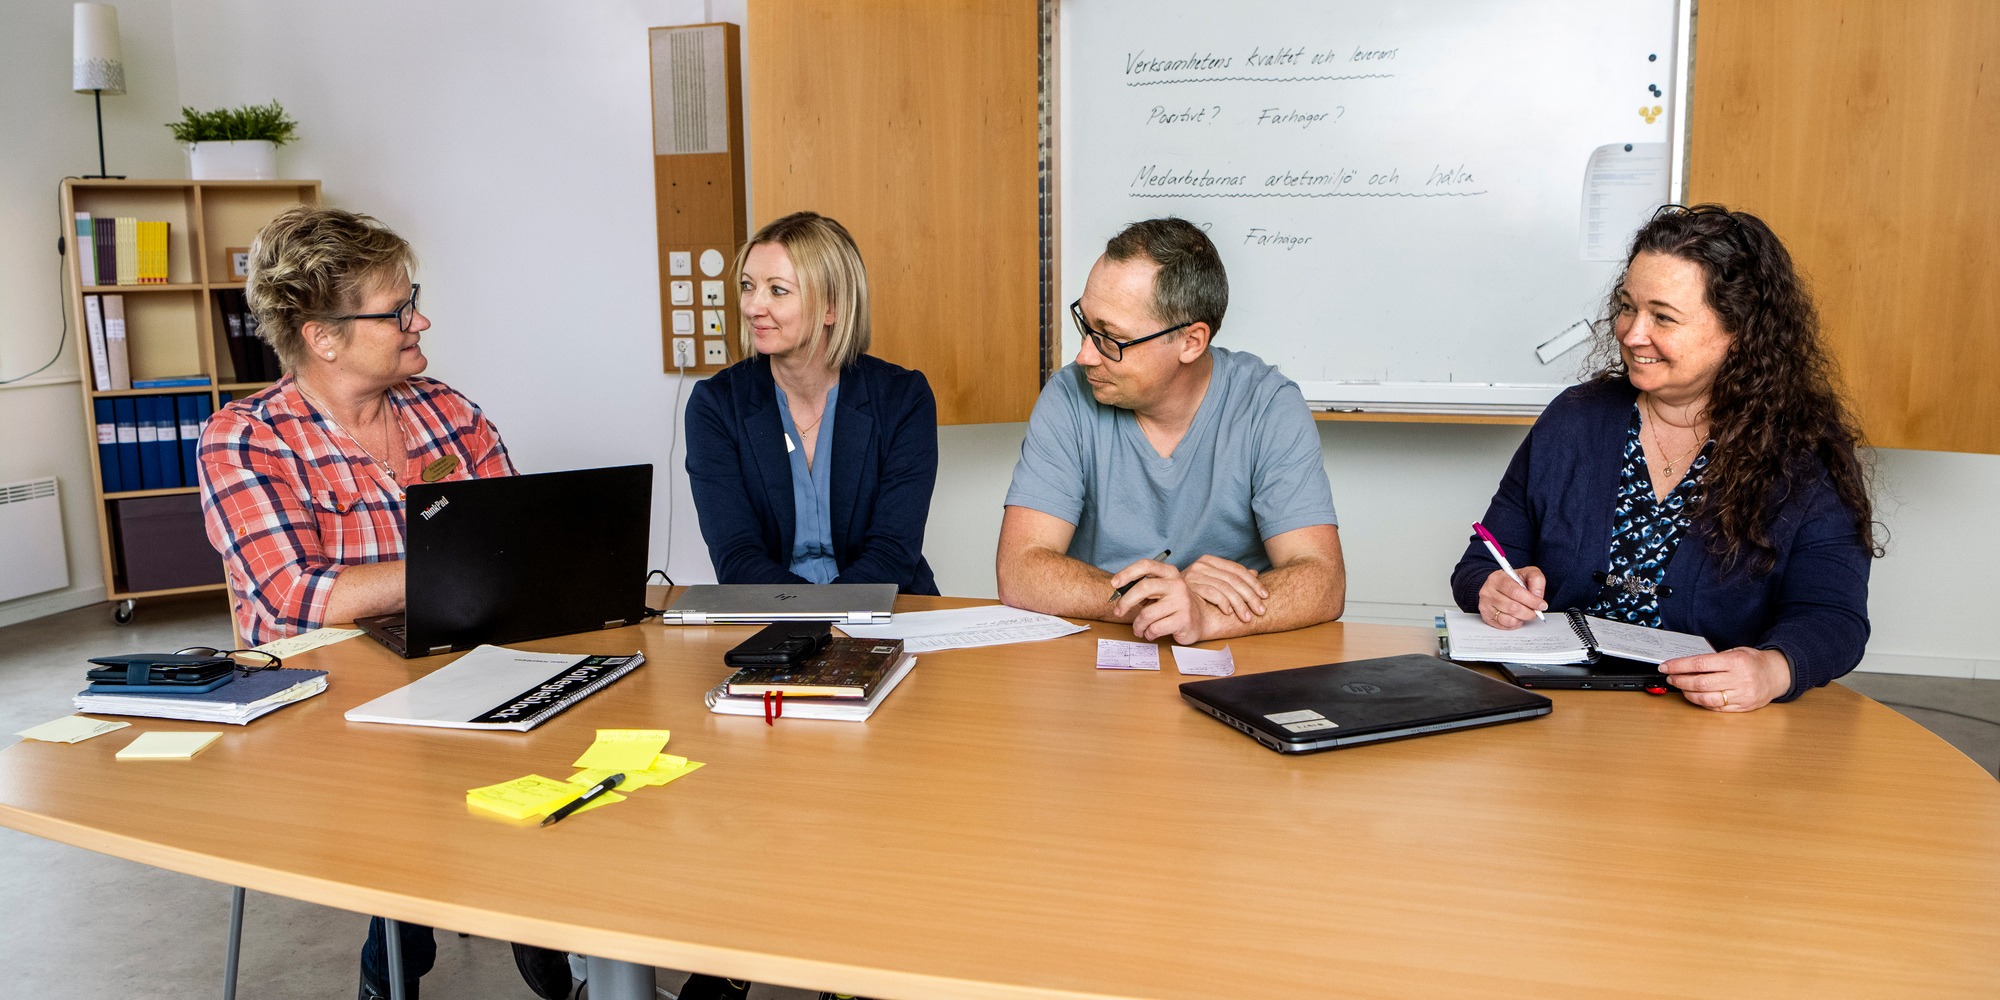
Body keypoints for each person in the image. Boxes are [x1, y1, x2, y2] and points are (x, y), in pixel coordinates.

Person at [195, 206, 570, 1000]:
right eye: (396, 310)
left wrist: (476, 562)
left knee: (578, 723)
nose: (419, 319)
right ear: (322, 335)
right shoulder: (247, 439)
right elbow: (296, 596)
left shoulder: (448, 412)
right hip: (327, 704)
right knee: (421, 775)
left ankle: (523, 920)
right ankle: (456, 940)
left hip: (460, 666)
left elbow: (518, 548)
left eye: (414, 298)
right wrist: (452, 557)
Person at [1451, 204, 1876, 712]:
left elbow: (1833, 617)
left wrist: (1772, 669)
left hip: (1708, 724)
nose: (1631, 334)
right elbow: (1483, 560)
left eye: (1663, 317)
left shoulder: (1804, 454)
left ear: (1738, 331)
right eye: (1627, 306)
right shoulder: (1573, 420)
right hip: (1558, 711)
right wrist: (1493, 588)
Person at [997, 217, 1345, 644]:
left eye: (1111, 338)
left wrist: (1205, 616)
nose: (1085, 355)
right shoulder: (1069, 395)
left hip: (1236, 659)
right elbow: (1019, 570)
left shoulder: (1268, 405)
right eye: (1085, 324)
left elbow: (1323, 581)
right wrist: (1157, 602)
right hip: (1096, 662)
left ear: (1191, 342)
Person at [684, 210, 940, 595]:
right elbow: (736, 558)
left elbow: (892, 554)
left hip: (890, 611)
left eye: (777, 290)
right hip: (772, 617)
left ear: (831, 307)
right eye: (748, 286)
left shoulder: (903, 399)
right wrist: (808, 623)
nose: (753, 306)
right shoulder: (715, 406)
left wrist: (825, 620)